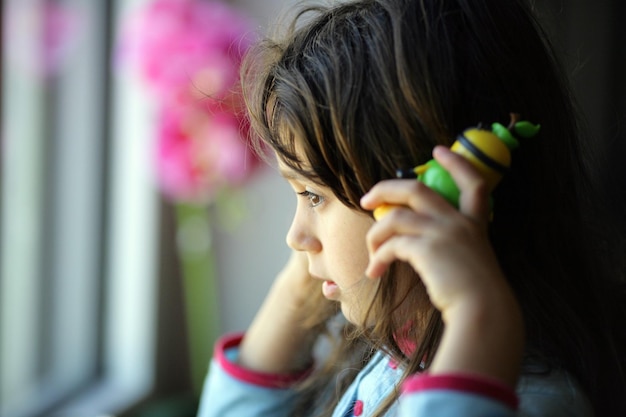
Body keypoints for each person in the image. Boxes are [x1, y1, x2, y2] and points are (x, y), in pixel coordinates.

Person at [196, 0, 626, 415]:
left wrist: (478, 315)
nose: (296, 238)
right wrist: (296, 292)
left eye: (314, 196)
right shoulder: (394, 350)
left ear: (440, 198)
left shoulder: (529, 401)